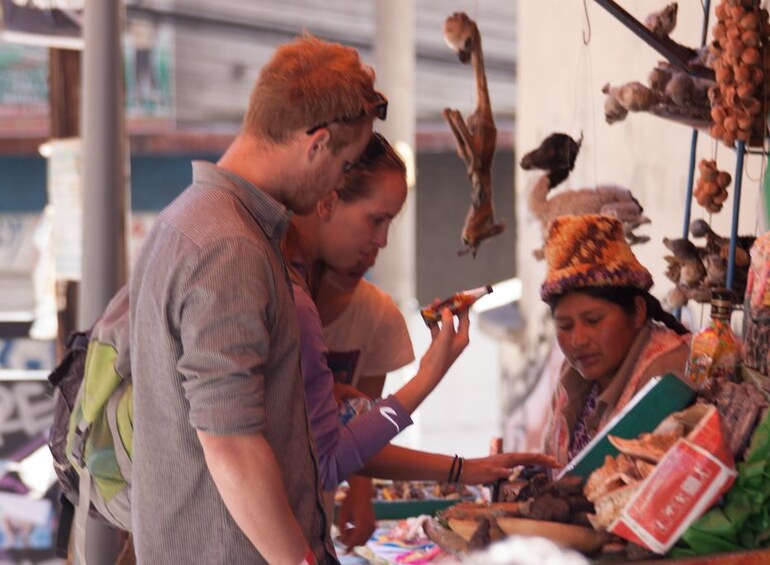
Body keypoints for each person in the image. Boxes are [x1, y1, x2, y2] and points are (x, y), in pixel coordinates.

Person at [128, 35, 387, 565]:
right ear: (315, 143)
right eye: (345, 164)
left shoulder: (189, 218)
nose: (338, 184)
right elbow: (230, 440)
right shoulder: (229, 246)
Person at [285, 133, 559, 547]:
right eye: (376, 220)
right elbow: (334, 457)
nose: (382, 242)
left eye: (390, 222)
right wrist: (429, 376)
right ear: (327, 200)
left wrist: (466, 470)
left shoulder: (370, 314)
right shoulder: (288, 301)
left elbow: (358, 437)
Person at [539, 214, 692, 465]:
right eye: (565, 325)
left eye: (594, 320)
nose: (577, 340)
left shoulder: (667, 373)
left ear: (638, 312)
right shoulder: (573, 373)